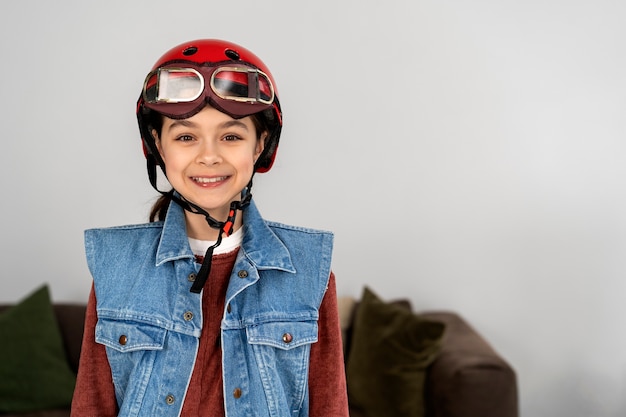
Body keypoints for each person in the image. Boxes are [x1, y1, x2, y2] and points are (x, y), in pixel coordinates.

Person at [71, 38, 349, 417]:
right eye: (185, 136)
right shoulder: (117, 266)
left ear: (260, 145)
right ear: (158, 146)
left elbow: (329, 406)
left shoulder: (309, 269)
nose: (208, 155)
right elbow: (92, 404)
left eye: (231, 136)